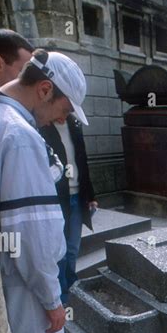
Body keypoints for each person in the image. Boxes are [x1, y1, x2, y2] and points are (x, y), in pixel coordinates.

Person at [0, 47, 92, 333]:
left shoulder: (9, 121)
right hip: (24, 264)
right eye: (66, 109)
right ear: (45, 89)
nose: (63, 118)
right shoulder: (19, 136)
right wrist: (52, 298)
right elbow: (28, 228)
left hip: (17, 258)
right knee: (42, 329)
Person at [41, 115, 98, 304]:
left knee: (72, 248)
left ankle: (72, 287)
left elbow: (83, 161)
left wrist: (91, 196)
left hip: (78, 195)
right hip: (58, 197)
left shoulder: (74, 123)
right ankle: (62, 294)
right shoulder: (43, 125)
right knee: (60, 250)